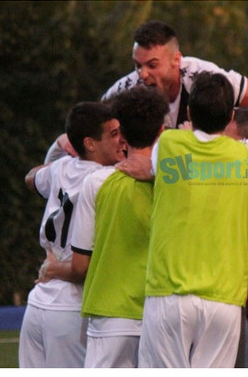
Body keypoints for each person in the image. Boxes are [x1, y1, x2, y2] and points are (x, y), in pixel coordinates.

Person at [138, 71, 248, 368]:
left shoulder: (167, 144)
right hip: (223, 298)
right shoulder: (243, 155)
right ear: (231, 117)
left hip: (168, 294)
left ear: (189, 112)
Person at [18, 102, 125, 368]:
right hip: (72, 307)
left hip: (39, 301)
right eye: (113, 134)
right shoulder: (108, 180)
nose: (121, 139)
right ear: (90, 143)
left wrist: (58, 147)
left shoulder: (62, 167)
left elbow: (31, 178)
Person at [68, 86, 168, 368]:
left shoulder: (96, 183)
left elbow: (80, 263)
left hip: (110, 312)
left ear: (121, 135)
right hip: (162, 310)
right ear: (162, 131)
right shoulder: (176, 182)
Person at [103, 20, 248, 131]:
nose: (143, 74)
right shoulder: (126, 89)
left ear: (176, 59)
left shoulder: (205, 77)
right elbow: (94, 124)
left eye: (152, 65)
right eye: (137, 65)